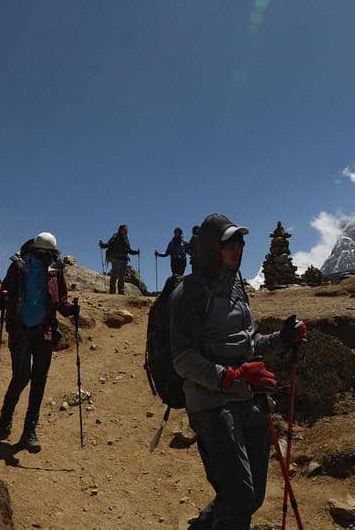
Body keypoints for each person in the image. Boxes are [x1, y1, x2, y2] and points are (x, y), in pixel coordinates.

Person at [170, 214, 306, 529]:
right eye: (228, 245)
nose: (237, 250)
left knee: (251, 497)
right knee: (240, 499)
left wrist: (283, 339)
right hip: (212, 405)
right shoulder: (189, 293)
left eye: (240, 244)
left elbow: (251, 343)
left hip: (247, 398)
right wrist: (231, 376)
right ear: (209, 248)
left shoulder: (236, 288)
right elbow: (184, 359)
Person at [0, 232, 80, 452]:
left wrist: (71, 309)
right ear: (34, 250)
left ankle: (29, 430)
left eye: (49, 253)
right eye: (42, 252)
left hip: (45, 333)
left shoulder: (55, 272)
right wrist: (3, 297)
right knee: (22, 377)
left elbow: (61, 300)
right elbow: (4, 292)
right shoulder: (19, 267)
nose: (45, 256)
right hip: (21, 331)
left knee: (39, 380)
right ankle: (5, 419)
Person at [99, 224, 139, 294]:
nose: (126, 231)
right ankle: (112, 291)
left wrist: (136, 252)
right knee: (115, 275)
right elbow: (109, 244)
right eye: (125, 230)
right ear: (120, 230)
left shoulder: (126, 239)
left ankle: (121, 291)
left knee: (122, 276)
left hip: (124, 259)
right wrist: (102, 245)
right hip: (116, 258)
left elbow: (129, 250)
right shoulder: (116, 237)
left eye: (126, 230)